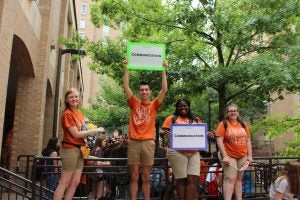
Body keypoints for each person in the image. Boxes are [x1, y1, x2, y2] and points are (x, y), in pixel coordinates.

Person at [122, 59, 168, 200]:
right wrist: (126, 68)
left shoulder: (154, 105)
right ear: (139, 92)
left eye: (146, 89)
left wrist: (164, 70)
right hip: (134, 142)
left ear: (150, 91)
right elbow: (126, 86)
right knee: (134, 175)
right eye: (141, 90)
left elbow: (164, 90)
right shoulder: (134, 102)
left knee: (146, 176)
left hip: (148, 142)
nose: (144, 92)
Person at [53, 88, 105, 200]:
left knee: (75, 182)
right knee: (64, 182)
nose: (74, 99)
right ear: (67, 100)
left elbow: (82, 131)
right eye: (71, 97)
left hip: (80, 150)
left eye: (76, 96)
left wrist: (91, 130)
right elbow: (76, 134)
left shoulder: (80, 113)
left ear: (79, 98)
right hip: (70, 149)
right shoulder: (67, 114)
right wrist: (93, 131)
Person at [162, 98, 201, 200]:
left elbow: (201, 133)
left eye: (185, 106)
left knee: (192, 179)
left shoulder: (196, 119)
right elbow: (163, 132)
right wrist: (165, 133)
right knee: (181, 179)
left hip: (194, 152)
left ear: (188, 107)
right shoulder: (171, 119)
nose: (183, 108)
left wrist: (208, 134)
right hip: (177, 152)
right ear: (177, 108)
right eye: (180, 106)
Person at [215, 104, 253, 200]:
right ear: (227, 113)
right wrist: (225, 156)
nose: (233, 112)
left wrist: (250, 156)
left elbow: (248, 140)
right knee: (230, 178)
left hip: (242, 155)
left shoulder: (243, 124)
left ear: (238, 112)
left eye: (235, 111)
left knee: (239, 180)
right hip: (229, 155)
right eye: (230, 111)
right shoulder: (223, 124)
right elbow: (219, 141)